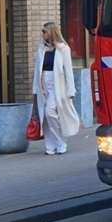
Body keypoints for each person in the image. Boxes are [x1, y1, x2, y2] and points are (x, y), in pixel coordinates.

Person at [31, 21, 81, 155]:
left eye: (44, 32)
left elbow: (68, 70)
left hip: (57, 86)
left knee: (50, 112)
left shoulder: (63, 48)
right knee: (45, 116)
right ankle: (51, 144)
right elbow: (37, 70)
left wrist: (71, 90)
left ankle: (61, 141)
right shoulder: (42, 47)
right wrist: (35, 89)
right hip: (43, 85)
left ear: (51, 33)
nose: (42, 34)